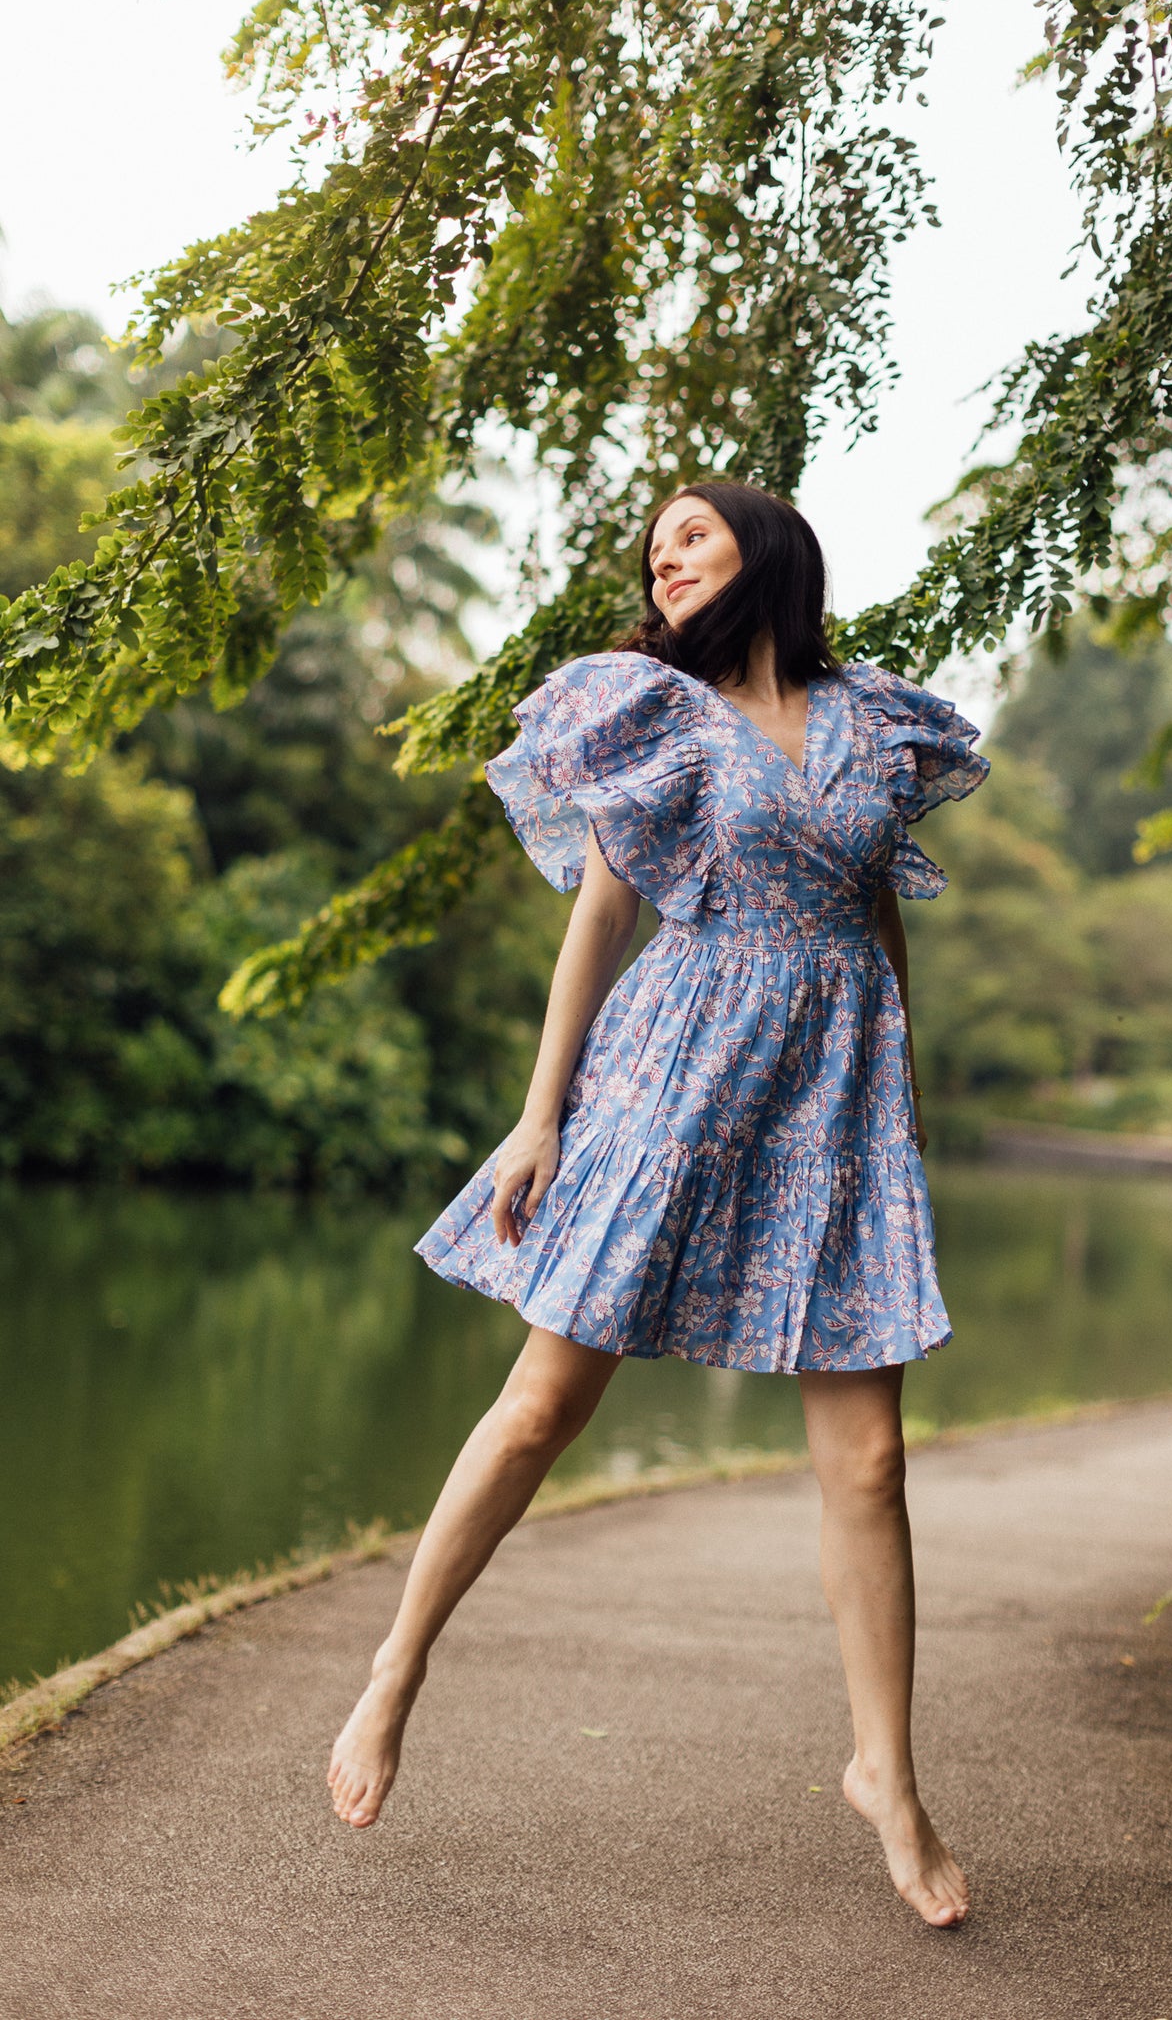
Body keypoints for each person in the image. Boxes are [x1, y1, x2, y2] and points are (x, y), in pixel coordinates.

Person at [327, 480, 988, 1928]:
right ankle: (396, 1671)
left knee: (869, 1463)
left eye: (689, 532)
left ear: (765, 547)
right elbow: (604, 916)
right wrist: (536, 1113)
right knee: (542, 1407)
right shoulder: (650, 714)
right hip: (673, 1063)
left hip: (838, 1091)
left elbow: (875, 911)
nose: (663, 556)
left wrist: (906, 1099)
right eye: (653, 546)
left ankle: (885, 1771)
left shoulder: (879, 719)